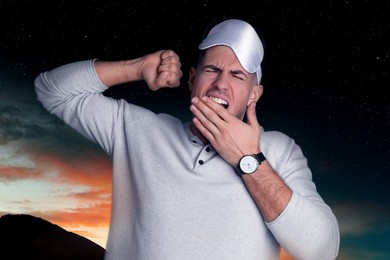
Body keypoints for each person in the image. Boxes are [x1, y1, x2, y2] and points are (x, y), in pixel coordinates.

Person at [34, 18, 340, 260]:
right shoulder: (138, 130)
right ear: (192, 80)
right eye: (212, 69)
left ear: (254, 94)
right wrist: (137, 68)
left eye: (237, 75)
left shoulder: (279, 150)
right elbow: (52, 90)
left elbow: (321, 250)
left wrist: (249, 161)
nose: (221, 84)